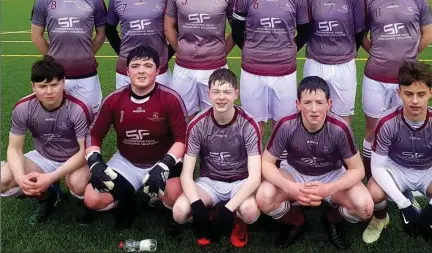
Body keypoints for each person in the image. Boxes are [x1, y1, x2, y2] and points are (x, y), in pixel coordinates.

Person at [256, 76, 373, 249]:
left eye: (319, 102)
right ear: (298, 104)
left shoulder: (339, 128)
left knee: (365, 208)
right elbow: (266, 163)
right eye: (307, 102)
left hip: (331, 174)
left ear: (329, 104)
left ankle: (331, 218)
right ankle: (298, 221)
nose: (313, 109)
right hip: (294, 172)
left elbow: (357, 170)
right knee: (264, 197)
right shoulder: (286, 125)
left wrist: (328, 189)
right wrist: (290, 187)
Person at [82, 45, 188, 230]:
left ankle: (157, 199)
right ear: (127, 70)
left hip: (161, 161)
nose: (141, 71)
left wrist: (163, 166)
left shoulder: (171, 99)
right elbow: (93, 134)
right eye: (136, 65)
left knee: (175, 194)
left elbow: (182, 138)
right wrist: (95, 162)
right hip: (127, 160)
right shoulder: (114, 99)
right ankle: (126, 199)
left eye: (148, 65)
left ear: (157, 70)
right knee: (92, 198)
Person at [363, 61, 432, 250]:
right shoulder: (387, 122)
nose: (415, 101)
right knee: (373, 191)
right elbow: (377, 167)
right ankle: (381, 219)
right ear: (399, 93)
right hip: (396, 168)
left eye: (421, 94)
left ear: (430, 92)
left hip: (429, 170)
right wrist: (404, 205)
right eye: (408, 93)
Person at [360, 0, 432, 183]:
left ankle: (401, 175)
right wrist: (379, 54)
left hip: (407, 81)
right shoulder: (369, 1)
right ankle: (369, 175)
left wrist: (408, 58)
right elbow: (361, 36)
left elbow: (427, 36)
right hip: (375, 77)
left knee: (405, 128)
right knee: (373, 130)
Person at [172, 68, 261, 248]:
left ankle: (237, 220)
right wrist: (197, 207)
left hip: (240, 181)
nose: (221, 97)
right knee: (179, 213)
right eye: (216, 91)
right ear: (209, 93)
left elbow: (254, 178)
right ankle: (208, 214)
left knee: (249, 212)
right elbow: (186, 174)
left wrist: (228, 211)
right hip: (210, 181)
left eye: (227, 92)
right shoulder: (197, 124)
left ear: (236, 93)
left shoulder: (249, 124)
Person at [231, 0, 311, 135]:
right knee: (253, 126)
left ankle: (280, 164)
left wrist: (289, 50)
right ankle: (254, 165)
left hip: (284, 72)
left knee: (283, 125)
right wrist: (252, 50)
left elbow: (305, 31)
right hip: (252, 71)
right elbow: (237, 31)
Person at [0, 56, 92, 223]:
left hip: (74, 157)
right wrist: (21, 178)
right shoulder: (23, 108)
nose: (49, 91)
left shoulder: (79, 108)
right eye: (42, 86)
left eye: (54, 84)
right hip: (43, 156)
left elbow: (84, 150)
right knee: (3, 179)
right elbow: (14, 149)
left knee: (78, 182)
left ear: (64, 83)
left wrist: (50, 177)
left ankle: (79, 204)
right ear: (33, 86)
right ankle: (48, 196)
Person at [164, 0, 235, 120]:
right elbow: (169, 25)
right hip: (183, 68)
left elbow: (237, 29)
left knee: (215, 118)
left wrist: (221, 51)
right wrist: (181, 50)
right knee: (182, 117)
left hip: (216, 67)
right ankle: (188, 150)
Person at [31, 0, 106, 114]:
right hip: (56, 76)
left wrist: (87, 53)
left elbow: (101, 35)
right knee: (57, 122)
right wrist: (52, 59)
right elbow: (36, 35)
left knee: (90, 119)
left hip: (87, 74)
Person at [303, 0, 366, 124]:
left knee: (343, 118)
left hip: (344, 65)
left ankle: (341, 152)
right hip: (315, 63)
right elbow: (304, 30)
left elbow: (360, 30)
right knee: (313, 115)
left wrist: (347, 50)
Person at [106, 0, 172, 89]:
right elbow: (109, 29)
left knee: (161, 110)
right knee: (125, 110)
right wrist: (123, 53)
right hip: (126, 71)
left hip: (159, 70)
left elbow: (176, 28)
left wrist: (167, 54)